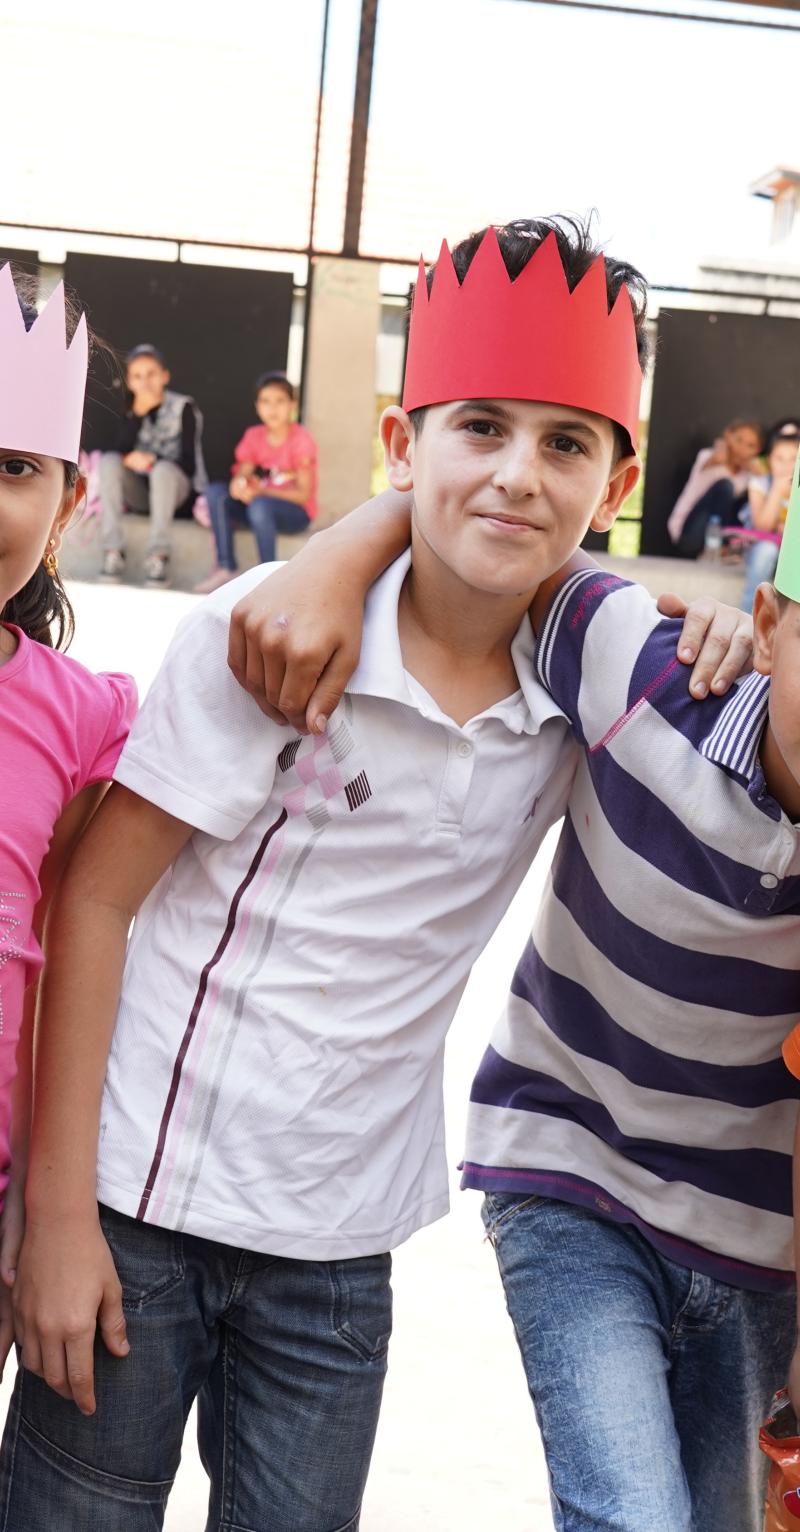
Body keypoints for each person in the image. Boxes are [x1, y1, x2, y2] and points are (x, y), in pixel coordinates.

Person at [2, 219, 746, 1532]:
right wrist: (55, 1217)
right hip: (134, 1207)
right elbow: (97, 900)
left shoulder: (585, 690)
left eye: (565, 444)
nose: (516, 473)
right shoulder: (273, 640)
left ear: (616, 479)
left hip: (337, 1249)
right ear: (403, 445)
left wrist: (730, 618)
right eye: (481, 428)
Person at [215, 417, 800, 1527]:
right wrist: (336, 554)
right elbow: (495, 540)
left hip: (761, 1244)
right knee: (630, 1515)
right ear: (767, 624)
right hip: (571, 1170)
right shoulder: (633, 664)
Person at [0, 268, 136, 1381]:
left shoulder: (81, 718)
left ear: (68, 501)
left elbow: (59, 962)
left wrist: (37, 1201)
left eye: (12, 468)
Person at [194, 372, 317, 595]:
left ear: (293, 405)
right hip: (257, 509)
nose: (272, 408)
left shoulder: (301, 440)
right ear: (257, 406)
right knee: (216, 494)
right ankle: (226, 567)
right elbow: (244, 471)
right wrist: (239, 485)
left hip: (295, 514)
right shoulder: (254, 436)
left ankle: (266, 577)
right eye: (265, 401)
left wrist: (262, 491)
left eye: (280, 401)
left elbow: (303, 495)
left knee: (260, 506)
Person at [98, 344, 206, 589]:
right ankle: (113, 552)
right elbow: (119, 451)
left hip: (176, 494)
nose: (145, 382)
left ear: (164, 376)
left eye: (151, 374)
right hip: (142, 495)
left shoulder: (184, 407)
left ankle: (158, 557)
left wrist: (153, 460)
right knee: (109, 461)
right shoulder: (131, 408)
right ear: (130, 382)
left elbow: (190, 464)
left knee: (162, 471)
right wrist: (137, 416)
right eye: (137, 376)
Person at [667, 417, 764, 557]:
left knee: (747, 500)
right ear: (728, 435)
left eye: (750, 446)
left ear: (757, 450)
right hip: (687, 534)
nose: (742, 448)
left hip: (715, 535)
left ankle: (728, 548)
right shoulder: (709, 456)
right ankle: (718, 547)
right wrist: (722, 447)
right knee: (725, 486)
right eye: (739, 440)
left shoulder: (748, 475)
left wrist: (758, 472)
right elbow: (717, 458)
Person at [739, 427, 800, 613]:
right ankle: (749, 615)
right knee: (766, 550)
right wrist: (778, 489)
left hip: (792, 554)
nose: (786, 465)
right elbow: (763, 527)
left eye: (793, 459)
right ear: (769, 460)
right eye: (779, 458)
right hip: (761, 551)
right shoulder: (760, 483)